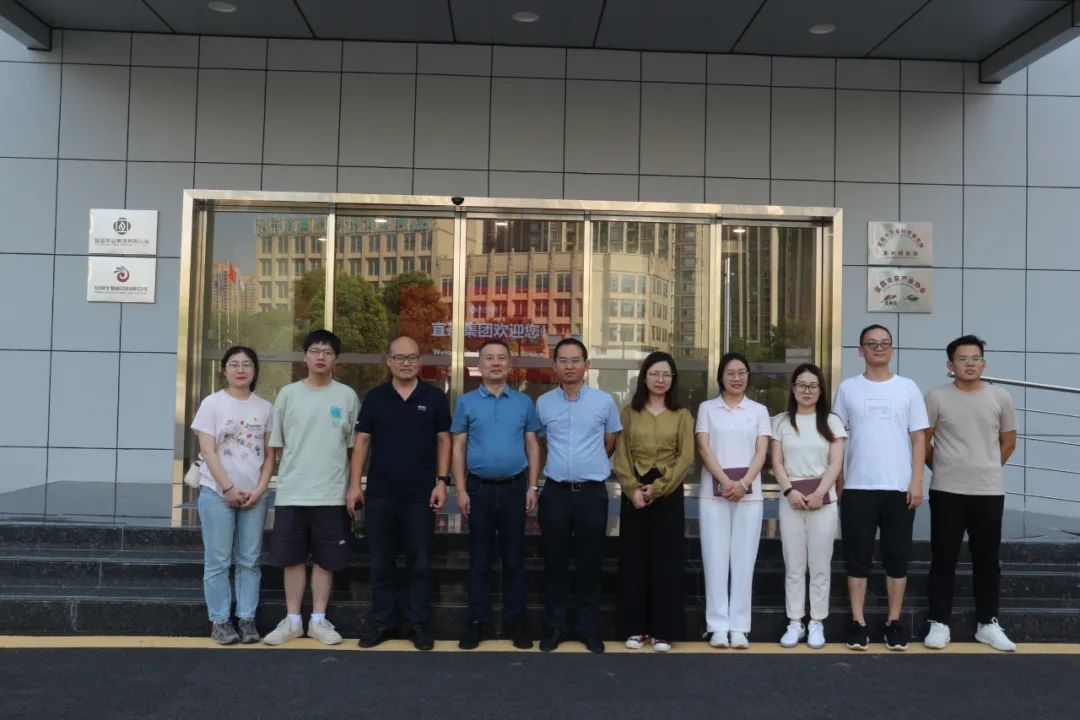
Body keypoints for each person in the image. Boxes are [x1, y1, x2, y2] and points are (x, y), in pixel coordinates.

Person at [349, 336, 451, 651]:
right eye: (399, 357)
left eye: (412, 357)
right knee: (381, 563)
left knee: (419, 563)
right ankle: (383, 621)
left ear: (420, 361)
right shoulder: (376, 397)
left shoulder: (434, 397)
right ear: (389, 361)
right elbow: (362, 441)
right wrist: (355, 485)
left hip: (421, 495)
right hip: (380, 494)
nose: (406, 363)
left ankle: (417, 623)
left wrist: (442, 481)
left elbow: (444, 440)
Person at [833, 324, 929, 651]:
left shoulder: (908, 388)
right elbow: (836, 438)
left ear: (892, 349)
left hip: (899, 488)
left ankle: (894, 622)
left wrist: (917, 481)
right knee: (857, 558)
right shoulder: (848, 389)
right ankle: (857, 622)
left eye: (885, 343)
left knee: (897, 558)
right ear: (860, 350)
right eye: (871, 343)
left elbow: (919, 438)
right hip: (858, 487)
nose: (879, 347)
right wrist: (840, 483)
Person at [263, 330, 359, 646]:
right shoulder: (288, 394)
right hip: (293, 491)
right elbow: (277, 445)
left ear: (335, 359)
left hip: (331, 493)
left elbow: (353, 448)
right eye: (315, 350)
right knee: (291, 558)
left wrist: (351, 486)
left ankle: (318, 619)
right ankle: (292, 620)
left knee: (326, 559)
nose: (320, 357)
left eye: (327, 352)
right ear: (305, 356)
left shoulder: (347, 396)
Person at [923, 335, 1018, 652]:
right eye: (962, 359)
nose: (969, 364)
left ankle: (987, 623)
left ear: (984, 363)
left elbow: (1009, 442)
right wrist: (943, 468)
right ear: (950, 365)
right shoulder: (936, 397)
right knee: (943, 558)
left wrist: (987, 466)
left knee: (987, 560)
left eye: (975, 358)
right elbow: (924, 441)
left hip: (988, 490)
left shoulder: (1000, 396)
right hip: (947, 489)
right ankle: (939, 623)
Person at [451, 339, 542, 650]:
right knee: (479, 560)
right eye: (489, 358)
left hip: (515, 488)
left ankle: (516, 622)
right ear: (479, 365)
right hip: (479, 489)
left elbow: (532, 444)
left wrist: (533, 486)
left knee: (514, 560)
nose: (495, 363)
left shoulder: (523, 402)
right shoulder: (466, 402)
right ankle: (478, 622)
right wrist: (460, 489)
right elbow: (458, 446)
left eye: (501, 358)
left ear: (510, 365)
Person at [536, 338, 622, 654]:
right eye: (563, 360)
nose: (570, 366)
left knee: (591, 563)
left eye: (576, 360)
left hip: (591, 494)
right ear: (554, 365)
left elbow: (610, 441)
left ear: (587, 365)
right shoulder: (543, 403)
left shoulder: (604, 402)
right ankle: (555, 627)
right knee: (555, 563)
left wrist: (588, 464)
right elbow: (541, 442)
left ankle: (588, 629)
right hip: (555, 493)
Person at [612, 351, 694, 653]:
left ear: (673, 380)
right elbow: (621, 455)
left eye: (666, 375)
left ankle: (664, 630)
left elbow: (686, 458)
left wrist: (657, 489)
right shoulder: (628, 413)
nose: (661, 380)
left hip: (668, 492)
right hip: (634, 493)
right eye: (655, 374)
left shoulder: (682, 414)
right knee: (634, 560)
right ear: (644, 377)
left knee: (666, 561)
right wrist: (632, 488)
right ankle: (636, 627)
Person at [192, 346, 275, 644]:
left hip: (254, 495)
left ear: (255, 370)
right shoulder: (212, 404)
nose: (241, 370)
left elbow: (269, 455)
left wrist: (261, 489)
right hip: (216, 493)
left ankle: (247, 619)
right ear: (224, 370)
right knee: (217, 560)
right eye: (234, 364)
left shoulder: (265, 407)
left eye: (247, 364)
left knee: (249, 560)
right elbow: (207, 451)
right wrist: (228, 488)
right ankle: (220, 621)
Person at [695, 352, 771, 649]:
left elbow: (761, 452)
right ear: (721, 377)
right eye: (730, 373)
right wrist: (727, 482)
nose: (737, 378)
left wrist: (744, 484)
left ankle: (739, 626)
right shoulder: (707, 408)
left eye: (742, 373)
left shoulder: (759, 411)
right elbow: (704, 448)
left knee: (744, 560)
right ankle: (717, 625)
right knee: (714, 559)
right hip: (713, 495)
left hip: (749, 496)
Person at [770, 363, 846, 649]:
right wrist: (789, 491)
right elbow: (776, 462)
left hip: (822, 503)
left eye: (813, 386)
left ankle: (816, 621)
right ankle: (795, 622)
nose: (807, 390)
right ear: (793, 389)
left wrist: (818, 493)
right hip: (790, 500)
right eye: (801, 385)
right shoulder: (781, 422)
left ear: (821, 390)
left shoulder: (832, 422)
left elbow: (835, 463)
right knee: (794, 564)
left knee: (820, 564)